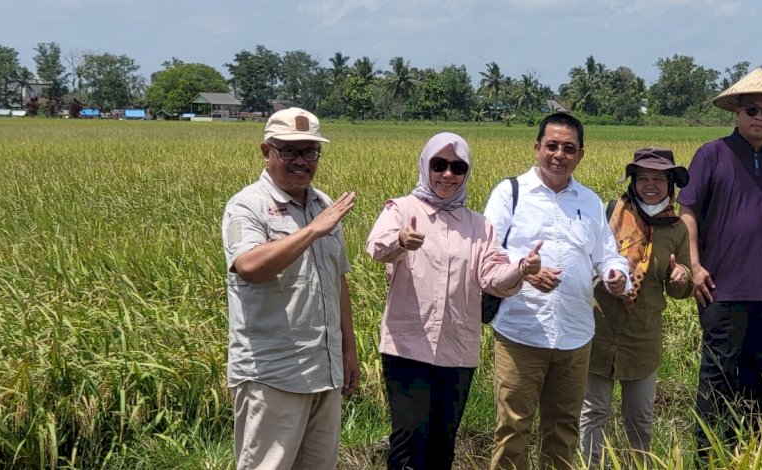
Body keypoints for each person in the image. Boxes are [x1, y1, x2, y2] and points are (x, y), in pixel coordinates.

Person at [365, 132, 543, 470]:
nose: (448, 175)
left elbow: (492, 276)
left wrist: (521, 268)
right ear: (426, 166)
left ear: (466, 173)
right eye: (439, 165)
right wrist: (401, 240)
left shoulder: (479, 226)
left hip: (457, 350)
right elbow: (377, 247)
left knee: (442, 445)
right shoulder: (402, 209)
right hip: (407, 347)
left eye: (457, 168)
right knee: (408, 443)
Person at [483, 112, 633, 470]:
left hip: (575, 335)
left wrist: (616, 275)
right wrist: (524, 270)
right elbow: (486, 252)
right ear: (537, 148)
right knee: (513, 429)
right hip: (521, 332)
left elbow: (608, 255)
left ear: (581, 154)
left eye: (569, 148)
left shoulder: (590, 202)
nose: (559, 154)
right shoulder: (510, 193)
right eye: (551, 146)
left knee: (563, 430)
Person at [676, 67, 762, 453]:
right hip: (721, 288)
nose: (759, 117)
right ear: (736, 111)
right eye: (751, 109)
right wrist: (695, 266)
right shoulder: (712, 154)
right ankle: (707, 455)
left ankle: (750, 453)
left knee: (760, 379)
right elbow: (687, 213)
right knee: (718, 376)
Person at [221, 107, 360, 470]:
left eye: (310, 151)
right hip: (273, 373)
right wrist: (312, 230)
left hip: (323, 368)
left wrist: (348, 349)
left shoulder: (323, 204)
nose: (302, 161)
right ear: (266, 152)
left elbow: (337, 279)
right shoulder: (247, 205)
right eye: (290, 151)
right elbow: (249, 266)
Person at [579, 148, 694, 468]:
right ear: (633, 181)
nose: (650, 185)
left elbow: (681, 290)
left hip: (643, 338)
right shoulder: (610, 212)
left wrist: (680, 277)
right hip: (599, 331)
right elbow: (585, 257)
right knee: (593, 414)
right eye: (643, 178)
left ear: (671, 184)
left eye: (659, 179)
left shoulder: (676, 229)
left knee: (639, 419)